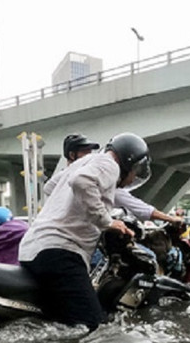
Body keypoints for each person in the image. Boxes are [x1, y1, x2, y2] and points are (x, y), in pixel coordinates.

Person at [18, 132, 173, 331]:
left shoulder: (82, 162)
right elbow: (81, 182)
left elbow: (50, 187)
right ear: (128, 161)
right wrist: (107, 221)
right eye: (135, 170)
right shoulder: (110, 164)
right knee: (93, 328)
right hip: (61, 252)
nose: (132, 177)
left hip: (33, 250)